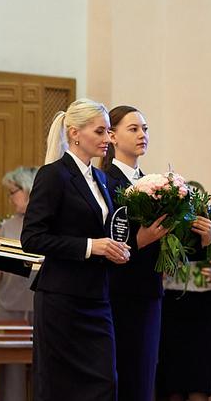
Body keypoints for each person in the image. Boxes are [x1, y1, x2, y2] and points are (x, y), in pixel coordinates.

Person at [21, 98, 131, 401]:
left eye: (109, 132)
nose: (108, 139)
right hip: (61, 299)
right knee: (61, 387)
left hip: (98, 297)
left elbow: (103, 231)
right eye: (100, 131)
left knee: (105, 383)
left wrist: (116, 249)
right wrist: (91, 247)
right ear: (75, 133)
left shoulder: (102, 179)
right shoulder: (53, 175)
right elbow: (32, 237)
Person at [100, 105, 169, 401]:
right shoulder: (105, 182)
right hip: (116, 293)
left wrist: (201, 239)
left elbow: (167, 240)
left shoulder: (158, 185)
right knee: (120, 377)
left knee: (144, 377)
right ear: (112, 136)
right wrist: (139, 241)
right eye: (134, 129)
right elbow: (102, 238)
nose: (142, 135)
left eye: (145, 129)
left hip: (149, 292)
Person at [155, 182, 211, 401]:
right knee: (172, 384)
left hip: (203, 311)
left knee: (199, 382)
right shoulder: (167, 233)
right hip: (171, 307)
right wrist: (165, 271)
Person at [0, 166, 38, 401]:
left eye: (13, 192)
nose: (10, 198)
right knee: (11, 373)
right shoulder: (5, 227)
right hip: (9, 308)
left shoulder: (46, 225)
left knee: (45, 370)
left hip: (41, 308)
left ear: (29, 189)